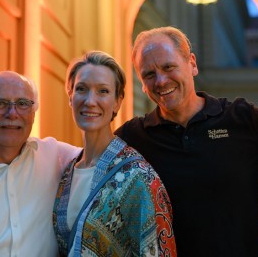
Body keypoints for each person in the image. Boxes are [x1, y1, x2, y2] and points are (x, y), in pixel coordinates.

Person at [115, 26, 258, 256]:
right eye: (149, 74)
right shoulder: (133, 138)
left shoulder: (242, 119)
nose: (161, 80)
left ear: (192, 64)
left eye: (168, 67)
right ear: (142, 84)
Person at [52, 51, 177, 256]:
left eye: (103, 91)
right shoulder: (66, 172)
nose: (90, 101)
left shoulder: (138, 176)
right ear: (70, 96)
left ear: (117, 102)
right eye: (81, 89)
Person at [0, 71, 81, 256]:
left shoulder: (56, 156)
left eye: (22, 104)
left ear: (33, 114)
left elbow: (104, 157)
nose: (12, 113)